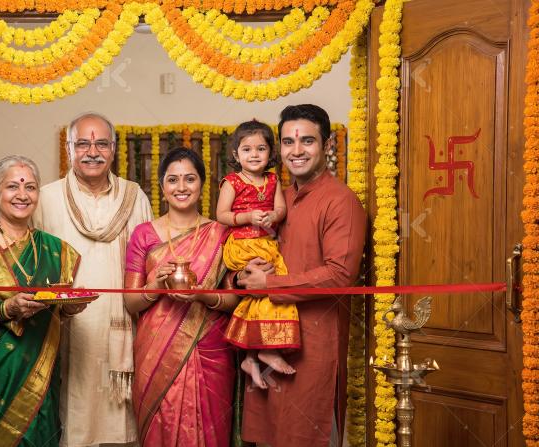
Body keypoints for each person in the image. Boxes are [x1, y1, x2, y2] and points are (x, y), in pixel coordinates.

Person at [0, 113, 152, 447]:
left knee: (120, 430)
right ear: (69, 148)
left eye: (102, 143)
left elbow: (149, 262)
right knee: (63, 422)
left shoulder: (135, 198)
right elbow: (13, 245)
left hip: (120, 333)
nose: (93, 151)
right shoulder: (46, 195)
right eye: (83, 143)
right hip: (56, 332)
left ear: (114, 149)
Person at [236, 105, 366, 447]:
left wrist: (269, 284)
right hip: (267, 338)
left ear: (327, 146)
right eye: (288, 142)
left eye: (307, 141)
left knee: (304, 435)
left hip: (312, 345)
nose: (296, 150)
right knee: (266, 436)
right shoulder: (278, 198)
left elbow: (340, 275)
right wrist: (241, 277)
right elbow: (246, 246)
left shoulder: (341, 201)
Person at [0, 155, 88, 446]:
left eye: (31, 187)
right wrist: (5, 309)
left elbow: (57, 308)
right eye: (12, 186)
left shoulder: (55, 250)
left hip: (41, 370)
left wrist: (70, 307)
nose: (22, 195)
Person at [123, 148, 240, 447]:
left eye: (190, 179)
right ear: (162, 187)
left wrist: (202, 295)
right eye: (173, 180)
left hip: (210, 351)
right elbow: (130, 302)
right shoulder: (143, 235)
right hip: (156, 353)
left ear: (202, 184)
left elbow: (233, 301)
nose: (181, 187)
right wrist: (153, 287)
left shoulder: (221, 233)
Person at [215, 120, 297, 389]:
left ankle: (252, 355)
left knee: (271, 288)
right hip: (241, 244)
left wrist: (273, 215)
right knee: (260, 286)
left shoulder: (273, 180)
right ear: (236, 155)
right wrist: (248, 216)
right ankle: (264, 351)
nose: (254, 154)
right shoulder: (232, 182)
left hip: (265, 243)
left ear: (270, 153)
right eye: (247, 149)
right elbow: (221, 215)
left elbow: (281, 210)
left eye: (261, 148)